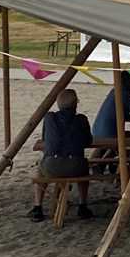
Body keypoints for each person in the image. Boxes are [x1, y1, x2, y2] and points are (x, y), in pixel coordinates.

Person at [30, 90, 93, 220]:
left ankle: (37, 207)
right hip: (76, 166)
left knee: (40, 170)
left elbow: (46, 139)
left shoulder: (49, 118)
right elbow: (88, 141)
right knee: (84, 168)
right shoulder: (81, 119)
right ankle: (82, 205)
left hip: (52, 166)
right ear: (75, 104)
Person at [92, 76, 130, 141]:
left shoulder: (114, 91)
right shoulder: (127, 94)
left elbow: (123, 117)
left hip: (96, 134)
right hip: (109, 136)